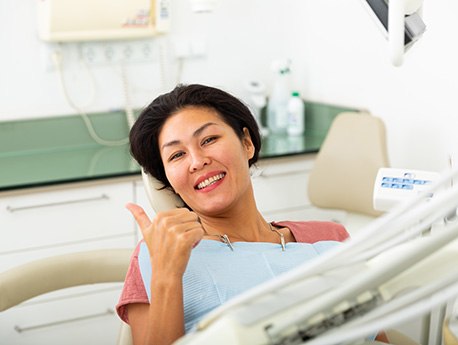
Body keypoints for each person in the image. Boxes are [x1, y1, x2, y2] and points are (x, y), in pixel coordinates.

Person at [116, 84, 388, 345]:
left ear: (247, 143)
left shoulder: (330, 237)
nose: (197, 161)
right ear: (167, 179)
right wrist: (166, 275)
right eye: (177, 155)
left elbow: (376, 337)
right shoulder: (158, 255)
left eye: (209, 139)